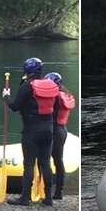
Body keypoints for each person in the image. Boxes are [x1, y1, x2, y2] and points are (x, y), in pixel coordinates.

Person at [2, 57, 59, 207]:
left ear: (26, 70)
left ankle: (25, 197)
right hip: (48, 130)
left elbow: (14, 106)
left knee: (28, 164)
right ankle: (48, 197)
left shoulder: (27, 86)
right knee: (46, 164)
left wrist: (6, 96)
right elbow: (56, 108)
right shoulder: (53, 85)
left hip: (31, 130)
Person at [44, 72, 76, 200]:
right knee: (58, 161)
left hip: (52, 130)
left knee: (44, 161)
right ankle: (58, 192)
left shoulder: (54, 96)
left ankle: (45, 193)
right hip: (62, 131)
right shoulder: (66, 94)